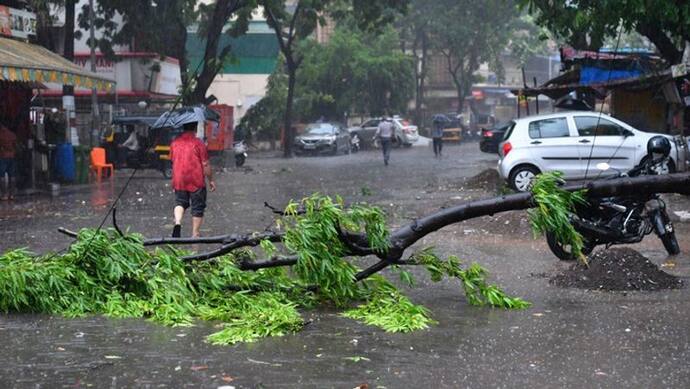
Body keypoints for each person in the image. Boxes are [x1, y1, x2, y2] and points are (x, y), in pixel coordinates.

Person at [170, 121, 216, 238]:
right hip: (196, 179)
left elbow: (172, 160)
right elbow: (205, 164)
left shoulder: (174, 143)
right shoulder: (198, 143)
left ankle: (178, 222)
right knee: (198, 206)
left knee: (180, 202)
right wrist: (210, 180)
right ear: (195, 128)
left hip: (179, 179)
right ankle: (195, 233)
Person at [0, 123, 17, 200]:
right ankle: (12, 194)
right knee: (12, 175)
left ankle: (4, 194)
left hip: (3, 156)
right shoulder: (11, 134)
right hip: (12, 156)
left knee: (1, 175)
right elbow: (15, 144)